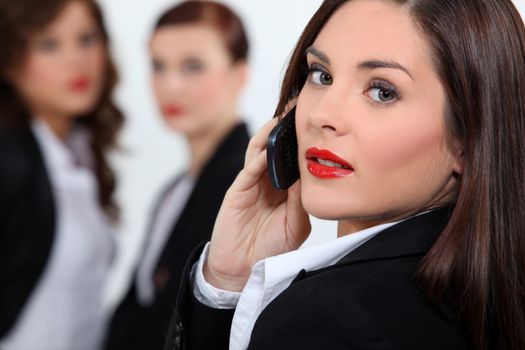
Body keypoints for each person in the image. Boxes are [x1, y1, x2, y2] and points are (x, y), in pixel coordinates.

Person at [164, 0, 525, 349]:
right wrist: (229, 282)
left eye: (382, 91)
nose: (324, 114)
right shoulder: (489, 297)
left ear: (469, 137)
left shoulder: (323, 320)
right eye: (322, 75)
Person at [105, 1, 250, 349]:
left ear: (239, 74)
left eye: (193, 66)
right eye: (158, 66)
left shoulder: (245, 188)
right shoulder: (175, 189)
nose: (171, 85)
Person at [0, 0, 124, 349]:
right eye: (49, 44)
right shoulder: (8, 159)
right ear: (9, 61)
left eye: (87, 39)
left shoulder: (81, 149)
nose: (76, 60)